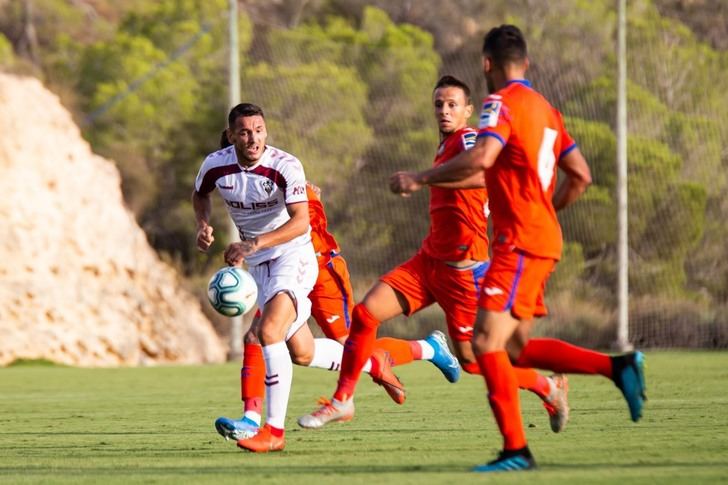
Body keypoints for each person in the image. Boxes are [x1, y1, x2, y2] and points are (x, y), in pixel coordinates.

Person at [389, 25, 647, 472]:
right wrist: (544, 212)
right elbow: (581, 175)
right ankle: (617, 368)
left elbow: (482, 158)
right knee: (517, 349)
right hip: (541, 238)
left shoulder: (499, 104)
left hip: (518, 242)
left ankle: (515, 450)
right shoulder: (547, 110)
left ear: (487, 64)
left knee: (486, 344)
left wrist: (421, 178)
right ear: (525, 63)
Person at [298, 75, 568, 432]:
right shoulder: (445, 147)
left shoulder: (468, 138)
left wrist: (422, 178)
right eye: (439, 104)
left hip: (462, 272)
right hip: (428, 263)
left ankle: (547, 386)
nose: (444, 110)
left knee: (474, 362)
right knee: (365, 314)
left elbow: (485, 169)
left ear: (468, 110)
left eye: (452, 104)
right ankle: (343, 400)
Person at [210, 130, 460, 446]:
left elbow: (297, 219)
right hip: (285, 274)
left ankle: (426, 349)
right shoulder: (241, 190)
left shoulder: (277, 176)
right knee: (293, 349)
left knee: (347, 344)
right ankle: (250, 419)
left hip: (320, 269)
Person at [193, 103, 406, 453]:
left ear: (266, 131)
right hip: (260, 265)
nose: (253, 138)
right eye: (244, 132)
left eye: (259, 130)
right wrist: (202, 224)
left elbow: (300, 222)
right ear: (232, 135)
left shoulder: (284, 165)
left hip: (294, 256)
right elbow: (200, 194)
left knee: (266, 332)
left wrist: (252, 243)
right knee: (302, 353)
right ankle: (371, 362)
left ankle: (271, 431)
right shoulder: (216, 165)